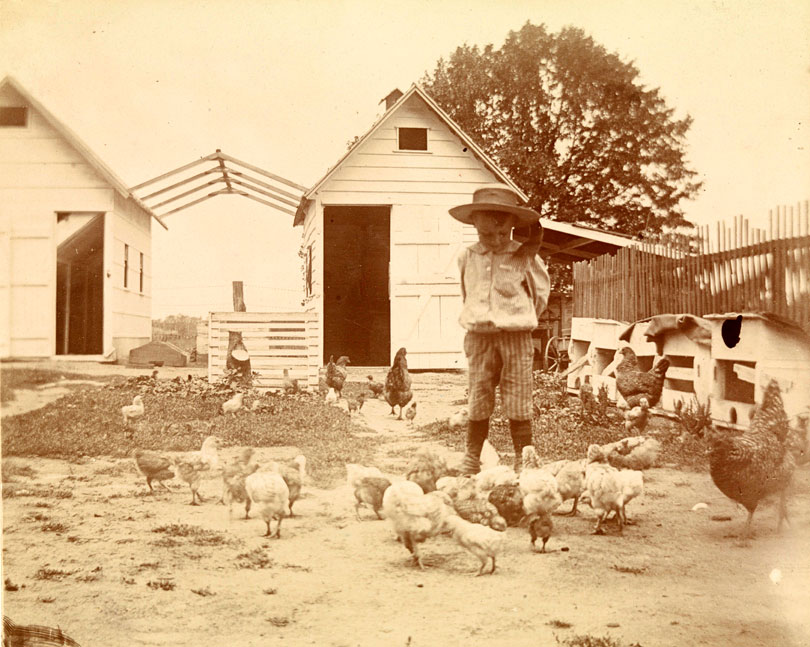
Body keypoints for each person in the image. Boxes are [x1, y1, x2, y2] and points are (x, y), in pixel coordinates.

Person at [449, 184, 550, 474]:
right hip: (479, 338)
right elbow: (467, 293)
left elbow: (539, 296)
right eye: (485, 234)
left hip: (515, 338)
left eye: (501, 233)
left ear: (512, 227)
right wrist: (480, 318)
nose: (494, 239)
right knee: (478, 395)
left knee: (518, 395)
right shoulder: (467, 256)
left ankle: (523, 458)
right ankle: (472, 457)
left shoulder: (524, 256)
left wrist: (515, 320)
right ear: (475, 226)